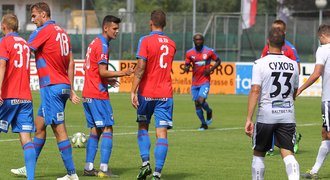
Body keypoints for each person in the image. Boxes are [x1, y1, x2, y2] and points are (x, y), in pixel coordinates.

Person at [10, 2, 80, 180]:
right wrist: (71, 89)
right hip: (62, 86)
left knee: (59, 129)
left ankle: (72, 174)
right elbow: (71, 62)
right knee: (40, 126)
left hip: (51, 87)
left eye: (34, 16)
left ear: (43, 14)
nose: (32, 20)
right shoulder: (62, 32)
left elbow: (24, 51)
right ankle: (29, 167)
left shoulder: (43, 31)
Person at [82, 15, 134, 178]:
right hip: (97, 94)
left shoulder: (94, 42)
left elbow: (90, 68)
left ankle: (89, 167)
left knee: (95, 130)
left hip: (88, 93)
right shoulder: (103, 45)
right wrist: (123, 73)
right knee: (108, 128)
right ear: (106, 28)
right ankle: (104, 168)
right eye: (114, 28)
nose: (117, 31)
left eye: (118, 28)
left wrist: (108, 79)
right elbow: (102, 71)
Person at [245, 28, 300, 180]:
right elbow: (294, 91)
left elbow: (255, 91)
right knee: (288, 152)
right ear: (284, 44)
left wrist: (249, 119)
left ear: (268, 42)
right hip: (287, 115)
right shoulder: (293, 65)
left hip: (266, 116)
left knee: (259, 153)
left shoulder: (259, 63)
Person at [131, 9, 176, 180]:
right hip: (165, 93)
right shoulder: (172, 43)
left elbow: (141, 67)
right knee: (162, 132)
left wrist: (133, 90)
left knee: (143, 126)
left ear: (151, 22)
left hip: (147, 93)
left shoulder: (145, 40)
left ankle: (145, 164)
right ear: (164, 24)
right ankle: (157, 173)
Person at [0, 14, 37, 180]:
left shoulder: (5, 41)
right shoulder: (25, 44)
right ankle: (30, 177)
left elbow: (2, 65)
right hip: (26, 98)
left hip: (8, 95)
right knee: (26, 138)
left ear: (4, 26)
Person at [261, 19, 302, 155]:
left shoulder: (290, 48)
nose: (276, 31)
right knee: (270, 115)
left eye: (278, 29)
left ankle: (294, 136)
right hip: (270, 89)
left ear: (284, 32)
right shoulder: (267, 47)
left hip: (285, 91)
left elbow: (296, 66)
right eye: (274, 29)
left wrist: (293, 87)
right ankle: (271, 147)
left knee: (284, 117)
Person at [299, 24, 330, 179]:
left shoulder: (323, 49)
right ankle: (314, 171)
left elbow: (317, 73)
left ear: (322, 36)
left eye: (320, 39)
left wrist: (300, 88)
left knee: (329, 134)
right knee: (325, 134)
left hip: (329, 100)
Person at [183, 33, 221, 131]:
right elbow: (186, 64)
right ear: (194, 41)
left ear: (203, 41)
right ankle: (204, 124)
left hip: (205, 81)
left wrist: (211, 69)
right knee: (197, 104)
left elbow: (218, 61)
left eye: (200, 40)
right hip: (195, 82)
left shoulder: (209, 51)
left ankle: (209, 111)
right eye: (196, 40)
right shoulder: (189, 53)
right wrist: (186, 68)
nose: (198, 41)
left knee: (201, 100)